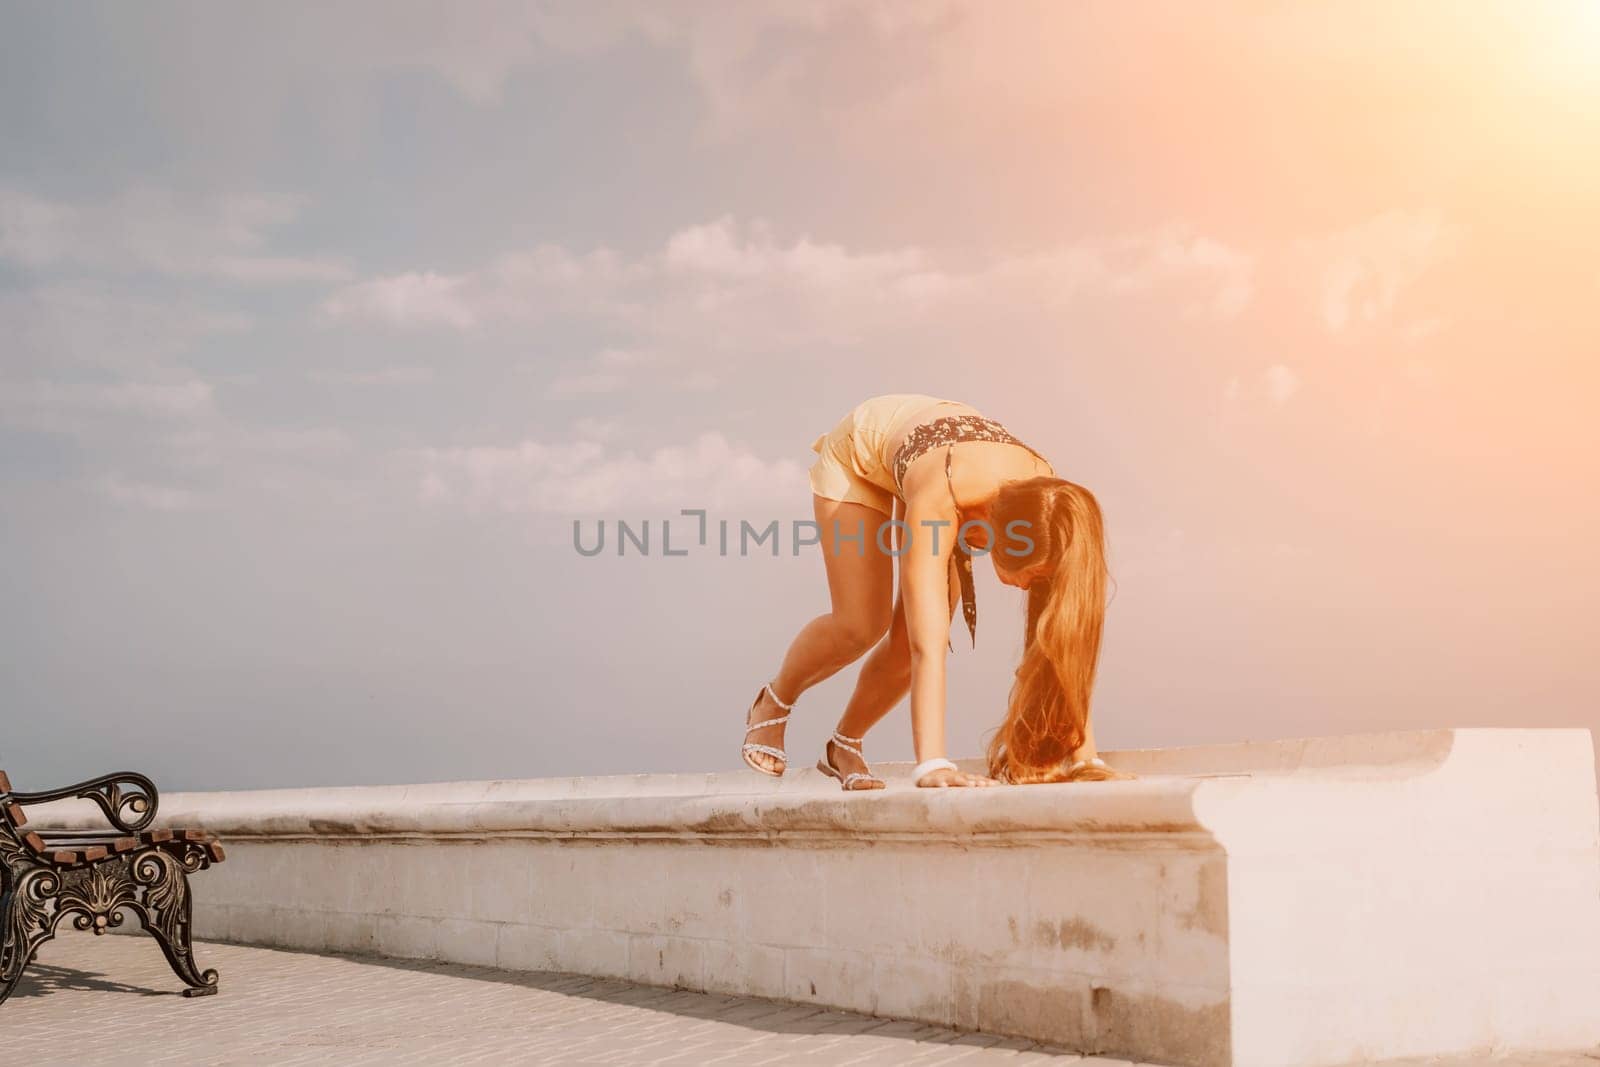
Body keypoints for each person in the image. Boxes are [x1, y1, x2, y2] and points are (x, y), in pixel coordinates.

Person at [740, 394, 1136, 790]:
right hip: (863, 453)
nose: (1028, 587)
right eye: (1031, 576)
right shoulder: (941, 499)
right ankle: (773, 702)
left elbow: (1062, 641)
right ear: (1006, 537)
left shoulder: (1047, 503)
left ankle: (844, 744)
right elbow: (925, 648)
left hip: (933, 452)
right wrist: (933, 765)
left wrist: (1085, 758)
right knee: (862, 624)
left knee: (904, 640)